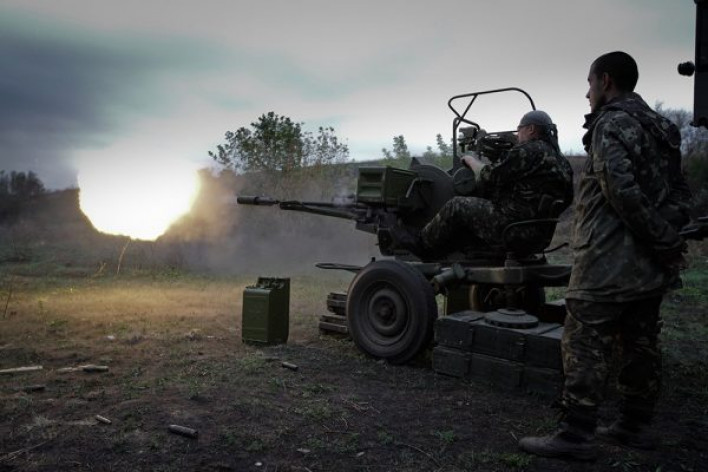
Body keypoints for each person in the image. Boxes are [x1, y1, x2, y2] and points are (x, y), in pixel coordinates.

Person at [519, 51, 693, 461]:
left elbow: (620, 191)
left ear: (607, 81)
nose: (587, 93)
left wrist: (661, 239)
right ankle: (634, 426)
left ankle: (576, 435)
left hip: (606, 258)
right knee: (640, 340)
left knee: (582, 338)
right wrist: (666, 235)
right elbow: (680, 192)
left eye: (590, 83)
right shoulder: (662, 127)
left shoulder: (610, 123)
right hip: (648, 264)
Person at [392, 110, 574, 258]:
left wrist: (472, 161)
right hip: (539, 236)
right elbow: (567, 199)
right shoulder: (561, 161)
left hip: (512, 230)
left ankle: (422, 245)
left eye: (519, 129)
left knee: (457, 205)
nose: (518, 135)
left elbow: (489, 176)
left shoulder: (529, 151)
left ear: (531, 129)